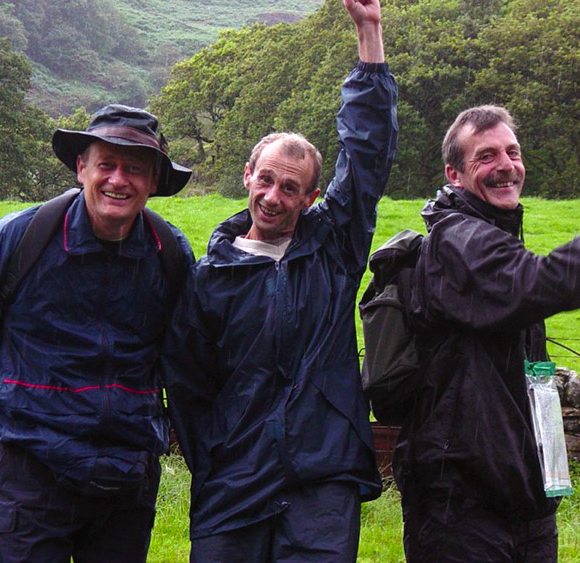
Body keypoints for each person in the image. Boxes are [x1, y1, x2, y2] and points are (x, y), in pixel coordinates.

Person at [160, 1, 398, 560]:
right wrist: (216, 452)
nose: (272, 196)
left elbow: (367, 155)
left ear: (311, 197)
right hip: (231, 478)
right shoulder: (209, 277)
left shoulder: (333, 250)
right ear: (247, 175)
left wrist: (369, 33)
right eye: (264, 180)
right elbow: (188, 385)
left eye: (290, 188)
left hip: (322, 478)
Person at [0, 105, 193, 562]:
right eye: (107, 164)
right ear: (82, 167)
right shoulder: (18, 240)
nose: (119, 180)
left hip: (127, 475)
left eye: (135, 169)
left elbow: (180, 357)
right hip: (33, 470)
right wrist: (24, 405)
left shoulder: (170, 254)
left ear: (155, 181)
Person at [393, 105, 580, 562]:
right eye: (486, 156)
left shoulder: (495, 236)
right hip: (463, 503)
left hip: (523, 495)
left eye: (512, 152)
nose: (506, 166)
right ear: (454, 174)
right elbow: (538, 282)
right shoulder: (458, 241)